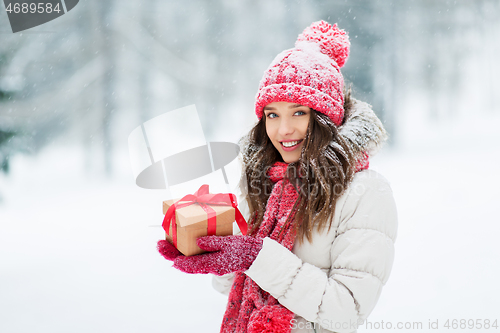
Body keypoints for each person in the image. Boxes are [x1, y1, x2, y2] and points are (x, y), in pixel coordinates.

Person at [157, 20, 398, 333]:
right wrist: (215, 251)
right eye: (272, 114)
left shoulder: (364, 191)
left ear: (326, 117)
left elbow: (346, 310)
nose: (283, 130)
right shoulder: (263, 180)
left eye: (299, 112)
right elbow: (237, 286)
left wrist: (255, 256)